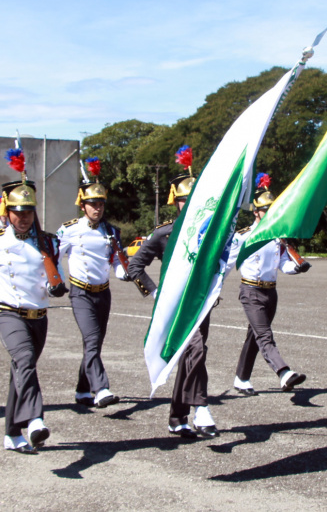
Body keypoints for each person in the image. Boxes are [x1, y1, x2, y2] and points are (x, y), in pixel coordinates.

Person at [0, 171, 68, 454]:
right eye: (18, 212)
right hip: (7, 313)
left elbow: (54, 276)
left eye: (28, 212)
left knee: (21, 371)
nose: (23, 217)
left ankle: (12, 434)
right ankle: (36, 419)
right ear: (7, 212)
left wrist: (56, 288)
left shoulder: (48, 242)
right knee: (24, 359)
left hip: (38, 316)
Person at [127, 146, 217, 438]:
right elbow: (134, 267)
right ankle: (201, 409)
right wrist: (155, 294)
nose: (187, 204)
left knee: (191, 356)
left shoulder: (210, 232)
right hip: (174, 307)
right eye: (182, 200)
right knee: (196, 348)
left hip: (201, 303)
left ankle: (177, 417)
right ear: (174, 202)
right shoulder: (164, 234)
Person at [224, 173, 311, 397]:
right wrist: (213, 289)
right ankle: (283, 372)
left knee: (254, 336)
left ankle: (241, 378)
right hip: (251, 291)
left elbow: (282, 263)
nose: (269, 213)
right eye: (265, 209)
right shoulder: (244, 236)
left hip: (270, 292)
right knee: (264, 335)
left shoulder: (277, 236)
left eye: (272, 209)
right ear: (255, 212)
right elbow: (227, 264)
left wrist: (296, 269)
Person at [57, 160, 124, 409]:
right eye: (93, 204)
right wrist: (54, 282)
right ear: (82, 205)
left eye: (101, 204)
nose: (97, 209)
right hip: (80, 292)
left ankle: (82, 390)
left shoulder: (111, 231)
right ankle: (101, 388)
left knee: (92, 343)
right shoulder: (69, 230)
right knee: (92, 339)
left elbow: (117, 257)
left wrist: (121, 272)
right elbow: (53, 258)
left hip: (103, 293)